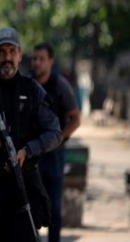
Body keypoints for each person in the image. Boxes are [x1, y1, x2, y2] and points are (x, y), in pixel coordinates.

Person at [0, 27, 62, 241]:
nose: (7, 58)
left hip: (22, 187)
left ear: (19, 55)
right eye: (1, 52)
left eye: (11, 51)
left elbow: (55, 133)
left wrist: (27, 150)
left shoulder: (33, 91)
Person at [31, 42, 81, 242]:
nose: (37, 63)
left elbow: (75, 119)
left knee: (54, 209)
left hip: (54, 157)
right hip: (31, 155)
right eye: (35, 58)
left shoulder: (60, 86)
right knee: (30, 208)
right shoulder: (27, 85)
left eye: (42, 59)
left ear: (51, 61)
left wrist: (58, 139)